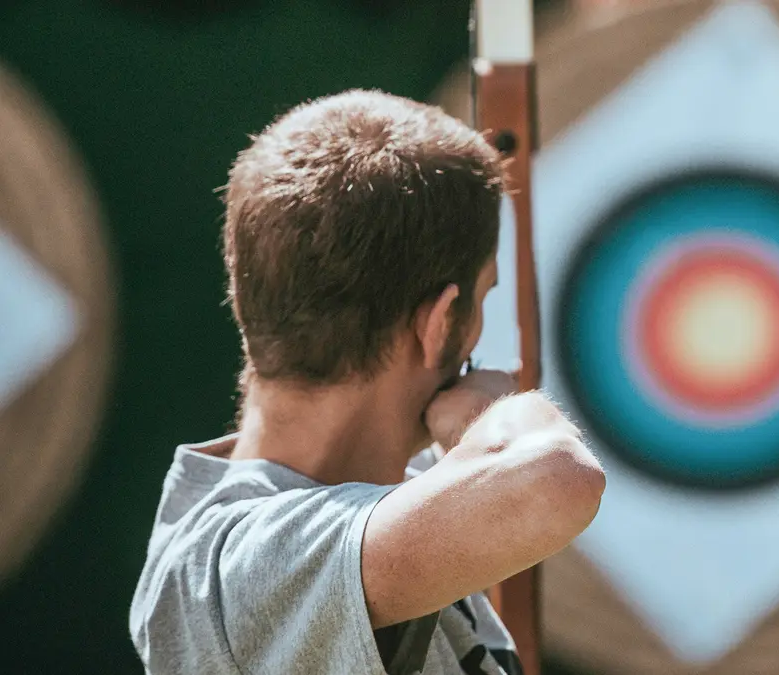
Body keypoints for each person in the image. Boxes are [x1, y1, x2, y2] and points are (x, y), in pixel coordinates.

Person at [129, 89, 606, 675]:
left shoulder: (400, 490)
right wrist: (496, 413)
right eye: (482, 300)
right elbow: (552, 482)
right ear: (438, 325)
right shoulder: (241, 566)